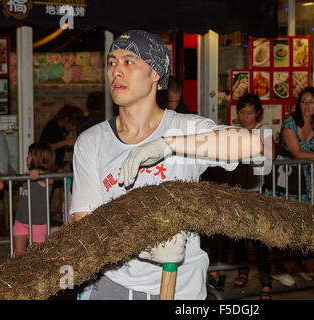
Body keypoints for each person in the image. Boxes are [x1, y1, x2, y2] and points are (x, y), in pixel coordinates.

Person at [70, 30, 264, 300]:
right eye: (112, 62)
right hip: (114, 286)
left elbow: (253, 145)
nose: (116, 71)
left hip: (182, 287)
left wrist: (169, 145)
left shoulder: (184, 128)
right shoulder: (91, 142)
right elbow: (87, 227)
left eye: (129, 61)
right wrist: (146, 245)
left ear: (155, 74)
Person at [266, 87, 314, 282]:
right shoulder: (290, 121)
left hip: (304, 177)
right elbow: (297, 153)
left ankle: (298, 264)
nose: (306, 106)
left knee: (301, 221)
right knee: (281, 222)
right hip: (283, 175)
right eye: (303, 101)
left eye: (311, 102)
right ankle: (278, 266)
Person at [230, 93, 275, 299]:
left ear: (257, 113)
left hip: (257, 190)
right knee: (239, 236)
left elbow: (271, 154)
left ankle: (266, 281)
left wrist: (248, 142)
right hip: (238, 189)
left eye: (249, 112)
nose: (245, 116)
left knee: (259, 239)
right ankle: (243, 271)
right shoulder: (235, 130)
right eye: (242, 112)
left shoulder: (263, 130)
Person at [12, 142, 55, 257]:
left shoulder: (47, 178)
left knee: (37, 256)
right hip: (21, 221)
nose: (27, 158)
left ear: (39, 158)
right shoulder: (28, 175)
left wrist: (39, 174)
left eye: (30, 155)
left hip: (38, 224)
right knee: (18, 254)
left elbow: (50, 181)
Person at [40, 104, 84, 170]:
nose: (74, 128)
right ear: (66, 119)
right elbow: (45, 149)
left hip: (56, 165)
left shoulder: (63, 129)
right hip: (48, 167)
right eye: (73, 124)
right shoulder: (51, 128)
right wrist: (66, 142)